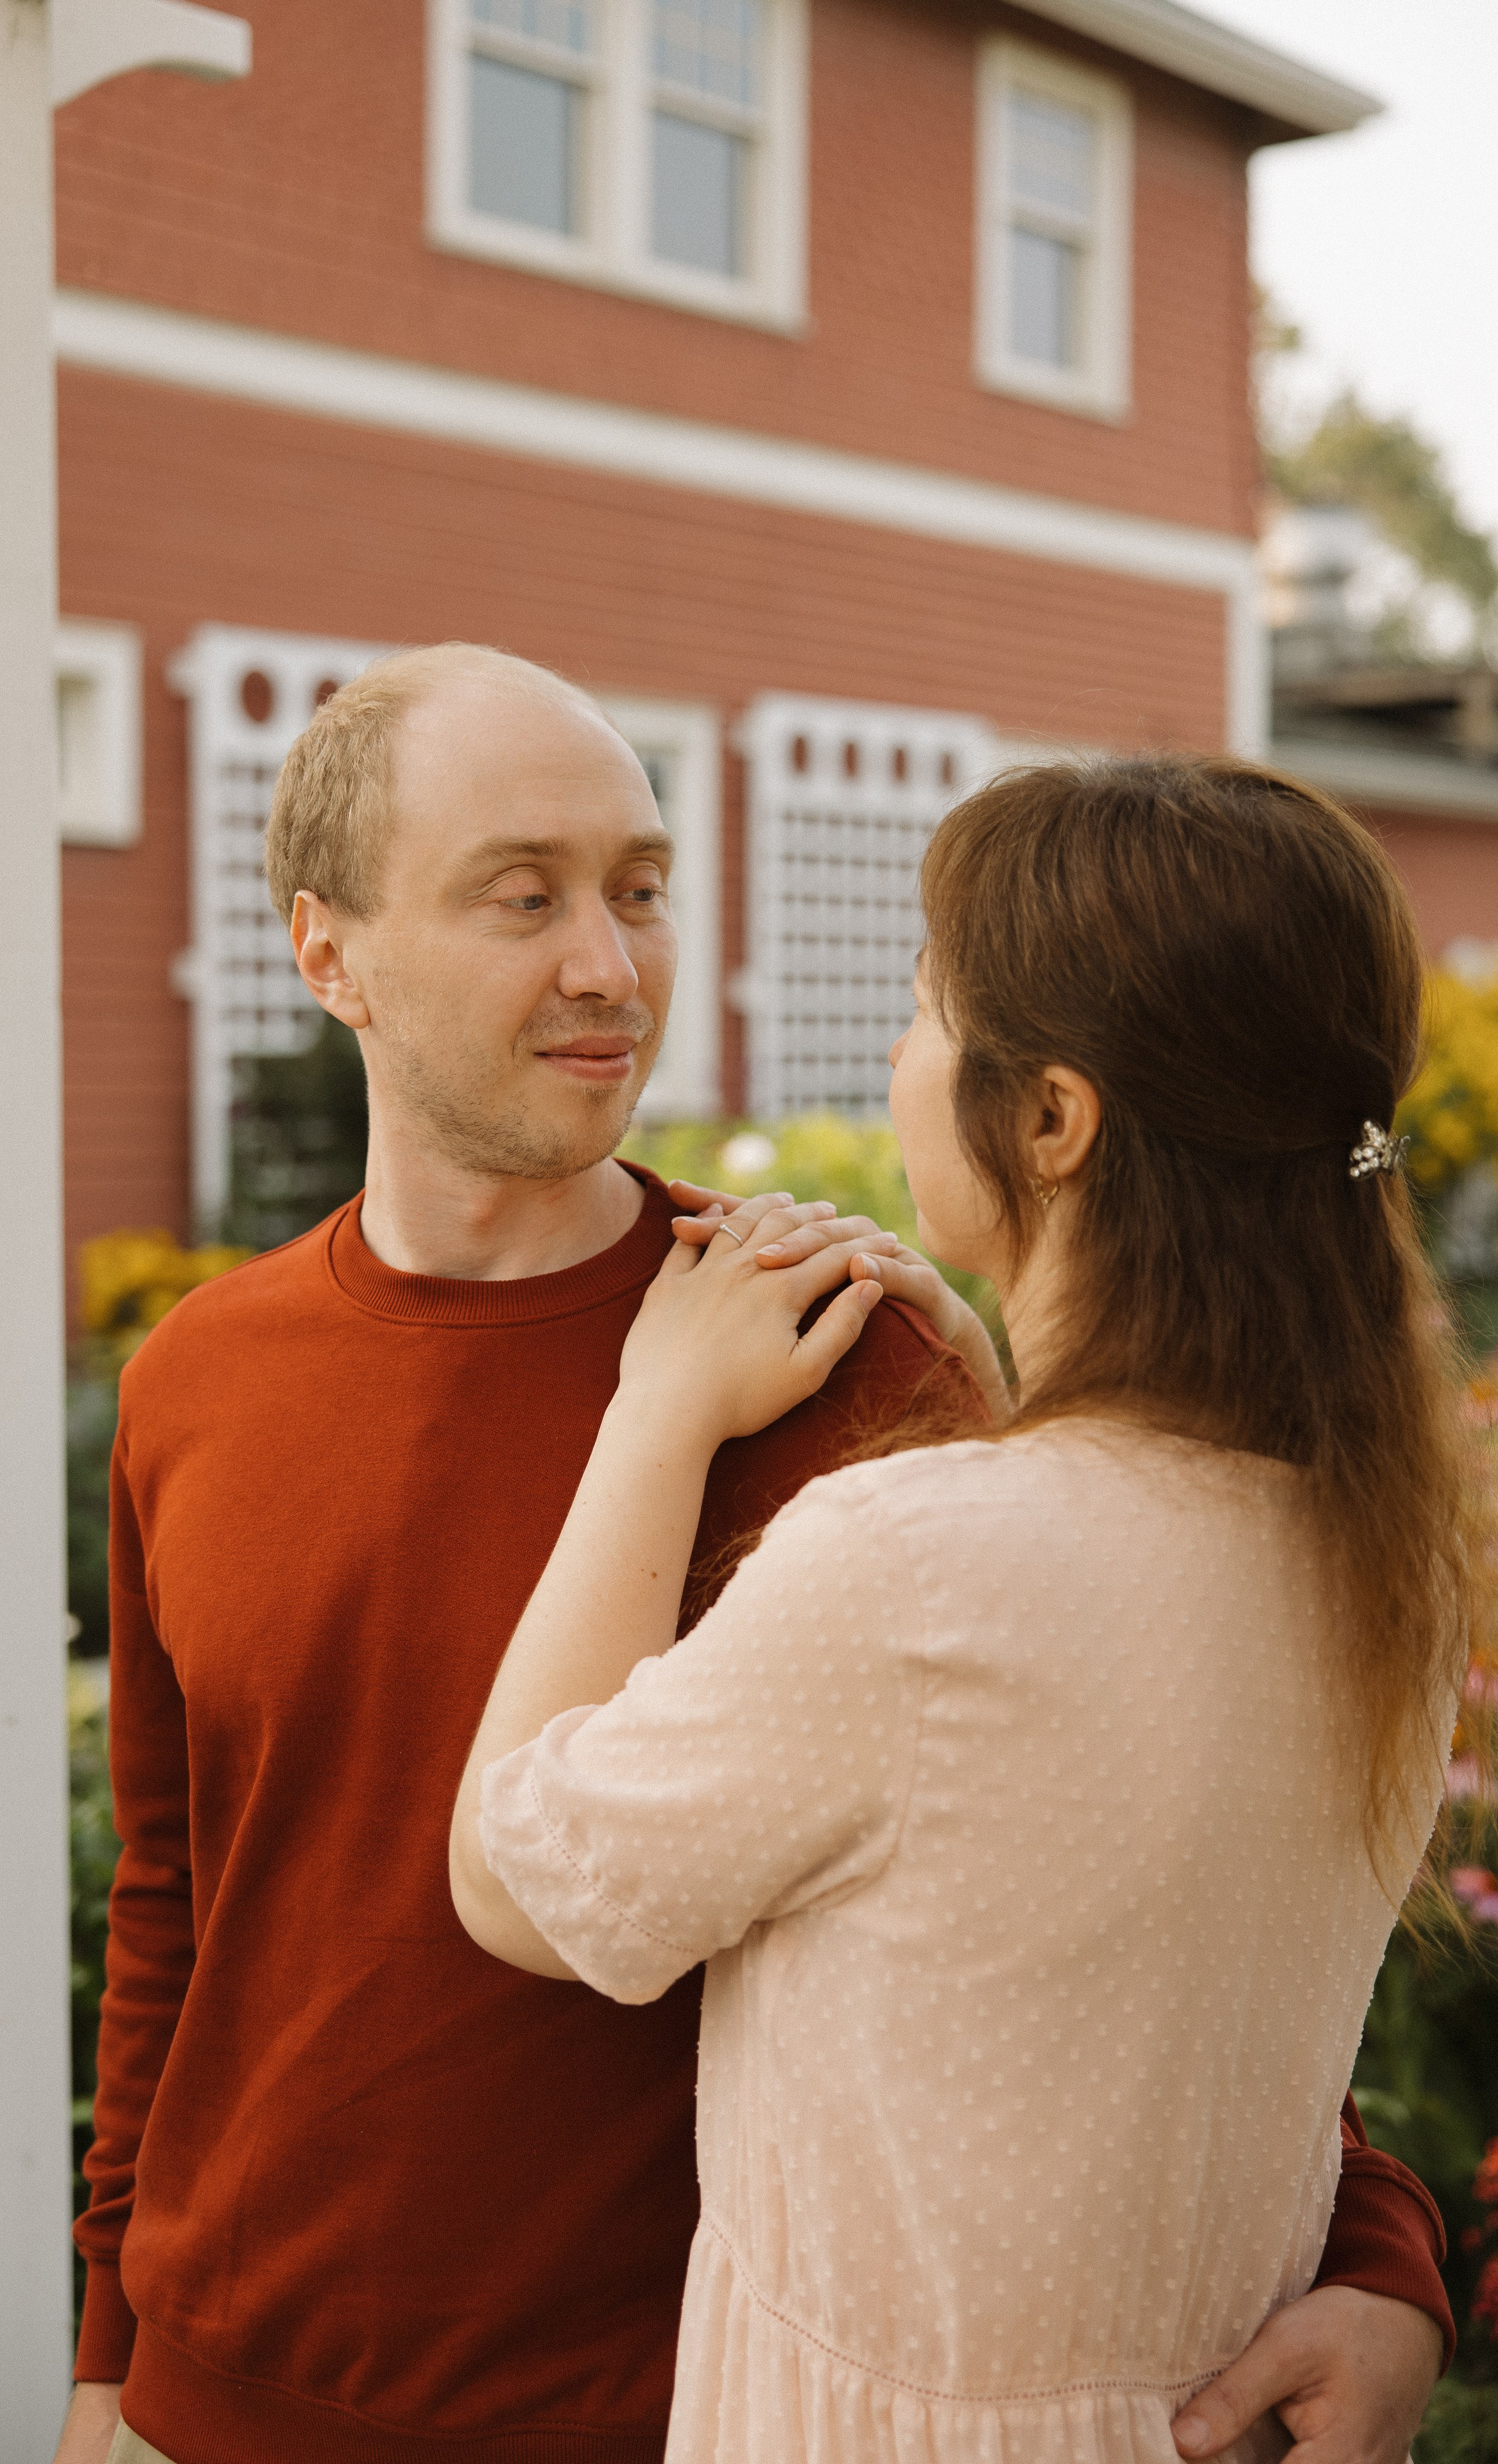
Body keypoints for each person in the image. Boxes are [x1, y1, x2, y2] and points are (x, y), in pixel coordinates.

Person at [60, 660, 1451, 2464]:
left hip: (680, 2417)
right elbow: (174, 1903)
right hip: (216, 2405)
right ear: (328, 956)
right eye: (522, 893)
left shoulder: (859, 1370)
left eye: (639, 887)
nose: (609, 967)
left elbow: (1144, 1883)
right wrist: (109, 2357)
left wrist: (1383, 2255)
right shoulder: (195, 1378)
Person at [451, 754, 1479, 2463]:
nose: (897, 1060)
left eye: (929, 1011)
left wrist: (656, 1414)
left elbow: (524, 1879)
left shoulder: (920, 1567)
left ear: (1055, 1119)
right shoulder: (1371, 1552)